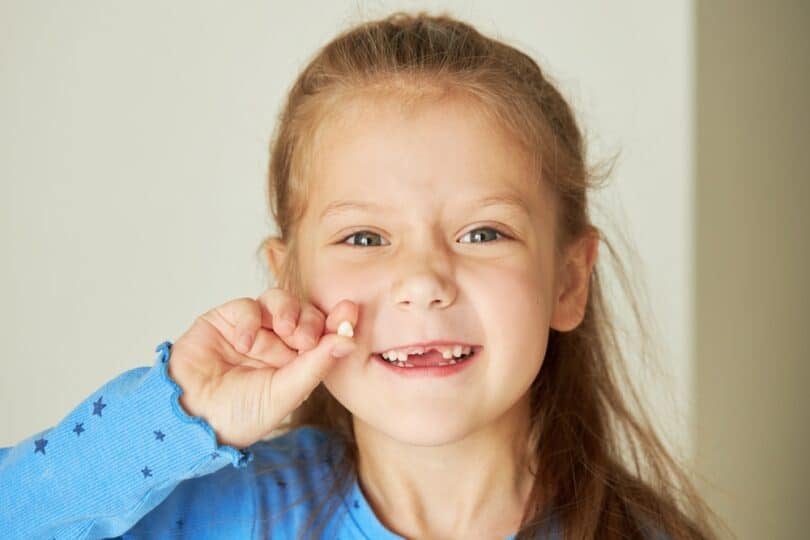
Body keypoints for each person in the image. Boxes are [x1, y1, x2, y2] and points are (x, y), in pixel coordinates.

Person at [0, 10, 721, 540]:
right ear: (289, 284)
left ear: (568, 282)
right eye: (366, 236)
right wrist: (176, 412)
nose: (423, 279)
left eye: (483, 232)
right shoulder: (225, 512)